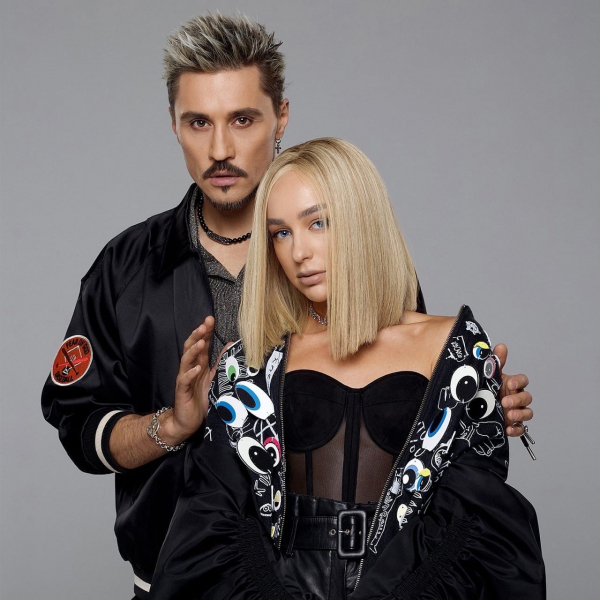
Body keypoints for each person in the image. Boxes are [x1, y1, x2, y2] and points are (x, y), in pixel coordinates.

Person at [40, 14, 535, 599]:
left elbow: (403, 418)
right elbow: (79, 424)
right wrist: (170, 427)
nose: (220, 149)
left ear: (281, 117)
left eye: (242, 119)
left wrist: (469, 405)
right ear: (174, 125)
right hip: (173, 581)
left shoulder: (348, 260)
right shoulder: (125, 269)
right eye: (198, 122)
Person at [149, 138, 545, 599]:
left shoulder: (452, 347)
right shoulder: (251, 363)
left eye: (317, 223)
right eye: (280, 233)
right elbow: (217, 513)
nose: (299, 252)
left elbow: (474, 514)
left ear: (362, 220)